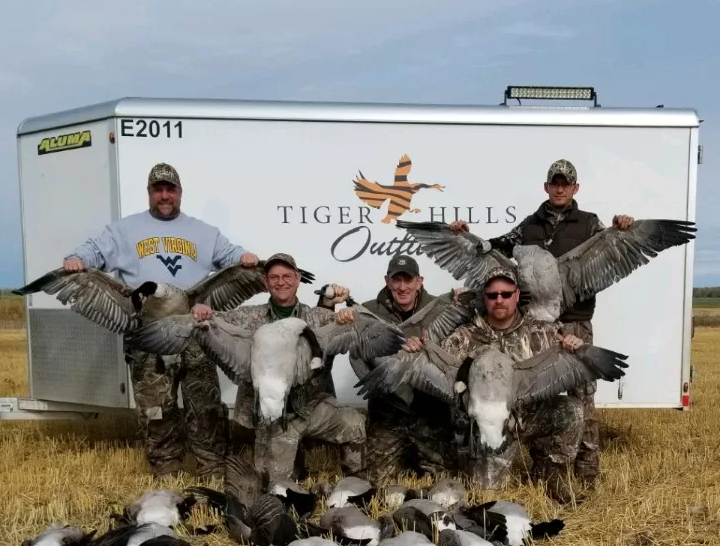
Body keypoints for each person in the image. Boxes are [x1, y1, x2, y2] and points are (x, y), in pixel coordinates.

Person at [63, 162, 259, 477]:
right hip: (149, 334)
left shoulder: (203, 232)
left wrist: (244, 259)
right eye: (158, 190)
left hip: (195, 333)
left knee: (204, 403)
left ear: (180, 192)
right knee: (156, 406)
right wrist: (76, 260)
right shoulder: (123, 230)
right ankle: (165, 467)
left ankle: (211, 466)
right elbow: (92, 252)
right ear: (149, 193)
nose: (164, 196)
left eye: (170, 189)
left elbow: (233, 256)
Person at [450, 159, 633, 486]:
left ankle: (586, 475)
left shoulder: (590, 225)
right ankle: (544, 469)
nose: (560, 188)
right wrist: (466, 238)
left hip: (574, 323)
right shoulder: (529, 226)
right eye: (555, 182)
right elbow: (496, 246)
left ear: (575, 188)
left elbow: (613, 246)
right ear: (546, 186)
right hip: (534, 326)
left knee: (581, 399)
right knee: (536, 393)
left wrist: (623, 228)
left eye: (566, 183)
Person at [211, 254, 364, 501]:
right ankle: (290, 471)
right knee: (276, 488)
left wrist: (348, 316)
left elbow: (342, 329)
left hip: (311, 409)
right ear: (265, 282)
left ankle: (356, 489)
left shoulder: (317, 316)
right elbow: (214, 322)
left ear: (298, 279)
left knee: (354, 423)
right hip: (271, 419)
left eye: (286, 276)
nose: (280, 282)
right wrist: (202, 313)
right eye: (274, 277)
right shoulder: (248, 318)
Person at [435, 266, 584, 502]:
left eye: (506, 294)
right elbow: (438, 366)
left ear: (516, 295)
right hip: (491, 430)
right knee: (486, 499)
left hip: (530, 418)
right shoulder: (464, 337)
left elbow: (569, 353)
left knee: (571, 410)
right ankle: (480, 465)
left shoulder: (541, 332)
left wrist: (574, 347)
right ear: (485, 298)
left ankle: (552, 475)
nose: (499, 300)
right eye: (492, 295)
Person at [355, 254, 461, 483]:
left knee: (445, 483)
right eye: (396, 280)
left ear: (419, 281)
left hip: (430, 415)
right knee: (378, 485)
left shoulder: (441, 310)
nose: (402, 287)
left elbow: (455, 354)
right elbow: (357, 355)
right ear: (387, 281)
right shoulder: (367, 312)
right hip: (388, 415)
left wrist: (426, 349)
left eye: (409, 280)